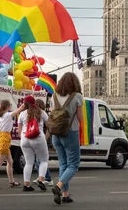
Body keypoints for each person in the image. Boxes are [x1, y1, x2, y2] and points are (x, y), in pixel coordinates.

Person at [51, 72, 83, 204]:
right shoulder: (77, 96)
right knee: (74, 164)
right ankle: (58, 187)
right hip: (70, 132)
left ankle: (65, 194)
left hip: (55, 133)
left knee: (63, 163)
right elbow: (80, 118)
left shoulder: (54, 96)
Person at [0, 100, 25, 189]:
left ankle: (11, 181)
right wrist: (24, 104)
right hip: (5, 138)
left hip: (1, 138)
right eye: (10, 105)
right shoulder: (8, 115)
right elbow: (20, 109)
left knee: (10, 161)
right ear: (7, 106)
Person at [18, 95, 49, 191]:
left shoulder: (22, 114)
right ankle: (41, 179)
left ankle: (26, 185)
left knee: (28, 162)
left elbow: (19, 130)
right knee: (43, 160)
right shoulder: (41, 112)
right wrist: (46, 137)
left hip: (24, 139)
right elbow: (50, 126)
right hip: (38, 138)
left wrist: (23, 138)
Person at [32, 99, 53, 186]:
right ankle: (41, 176)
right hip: (39, 139)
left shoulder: (43, 114)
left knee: (40, 160)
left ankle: (47, 178)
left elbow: (49, 128)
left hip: (44, 139)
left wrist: (45, 137)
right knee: (37, 160)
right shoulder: (36, 114)